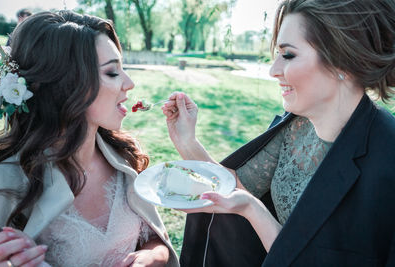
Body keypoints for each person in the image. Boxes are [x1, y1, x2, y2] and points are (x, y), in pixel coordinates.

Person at [162, 0, 395, 266]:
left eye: (288, 55)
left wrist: (253, 210)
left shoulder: (388, 159)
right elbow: (237, 188)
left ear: (343, 60)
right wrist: (188, 142)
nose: (273, 70)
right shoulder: (295, 128)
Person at [0, 11, 179, 267]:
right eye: (113, 73)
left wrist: (151, 257)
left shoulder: (123, 157)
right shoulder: (6, 183)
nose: (130, 83)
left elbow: (156, 239)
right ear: (66, 85)